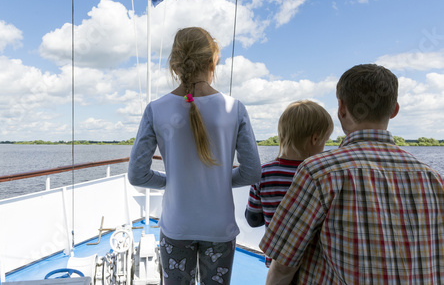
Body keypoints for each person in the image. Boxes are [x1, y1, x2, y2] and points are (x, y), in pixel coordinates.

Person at [260, 63, 444, 284]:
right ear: (394, 110)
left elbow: (282, 266)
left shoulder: (318, 172)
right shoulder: (433, 179)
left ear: (341, 108)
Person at [128, 27, 261, 285]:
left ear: (174, 63)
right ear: (213, 62)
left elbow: (138, 174)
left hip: (177, 227)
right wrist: (220, 179)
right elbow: (252, 172)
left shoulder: (155, 110)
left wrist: (172, 180)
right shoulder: (235, 109)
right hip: (219, 229)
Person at [245, 100, 333, 267]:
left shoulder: (263, 173)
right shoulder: (322, 174)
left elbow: (253, 220)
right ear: (315, 139)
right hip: (316, 264)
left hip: (278, 261)